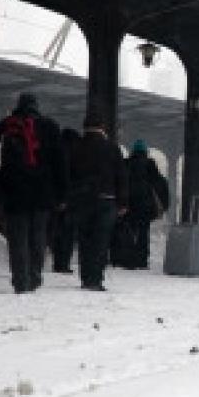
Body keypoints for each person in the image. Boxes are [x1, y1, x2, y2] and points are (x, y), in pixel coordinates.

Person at [0, 93, 67, 293]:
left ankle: (20, 279)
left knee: (17, 237)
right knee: (38, 235)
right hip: (42, 192)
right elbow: (60, 163)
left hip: (14, 192)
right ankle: (34, 275)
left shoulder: (5, 126)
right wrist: (62, 194)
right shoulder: (50, 127)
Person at [67, 114, 127, 292]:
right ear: (102, 127)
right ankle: (95, 278)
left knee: (85, 239)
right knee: (100, 241)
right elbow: (121, 176)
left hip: (82, 200)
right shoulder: (112, 148)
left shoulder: (77, 147)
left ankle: (85, 277)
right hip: (106, 200)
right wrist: (123, 202)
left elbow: (69, 174)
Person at [118, 139, 169, 269]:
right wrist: (163, 203)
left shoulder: (126, 163)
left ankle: (127, 259)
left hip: (128, 203)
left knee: (128, 231)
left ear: (133, 151)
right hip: (145, 205)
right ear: (145, 151)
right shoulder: (150, 164)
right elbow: (160, 182)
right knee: (143, 232)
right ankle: (141, 260)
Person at [49, 128, 81, 273]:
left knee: (57, 230)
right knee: (68, 233)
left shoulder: (56, 152)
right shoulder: (75, 155)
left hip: (55, 197)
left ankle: (57, 261)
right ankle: (63, 264)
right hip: (72, 198)